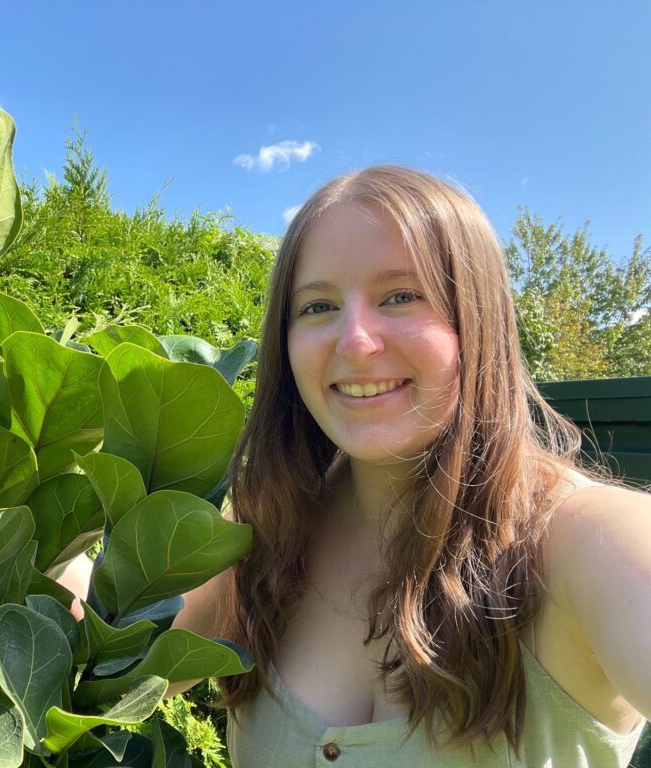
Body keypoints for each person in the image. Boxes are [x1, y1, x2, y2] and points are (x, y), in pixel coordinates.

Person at [168, 166, 651, 766]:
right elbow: (109, 654)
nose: (355, 341)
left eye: (400, 295)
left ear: (476, 319)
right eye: (317, 306)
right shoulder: (263, 528)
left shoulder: (585, 539)